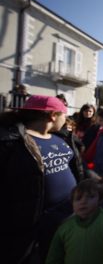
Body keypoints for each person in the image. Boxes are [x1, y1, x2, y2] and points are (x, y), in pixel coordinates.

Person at [0, 95, 76, 263]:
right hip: (33, 228)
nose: (66, 118)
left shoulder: (61, 138)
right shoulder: (12, 142)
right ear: (53, 115)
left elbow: (74, 167)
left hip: (68, 217)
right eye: (64, 114)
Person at [45, 178, 103, 263]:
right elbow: (53, 257)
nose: (83, 201)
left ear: (100, 199)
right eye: (78, 198)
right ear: (72, 203)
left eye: (90, 197)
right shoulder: (64, 228)